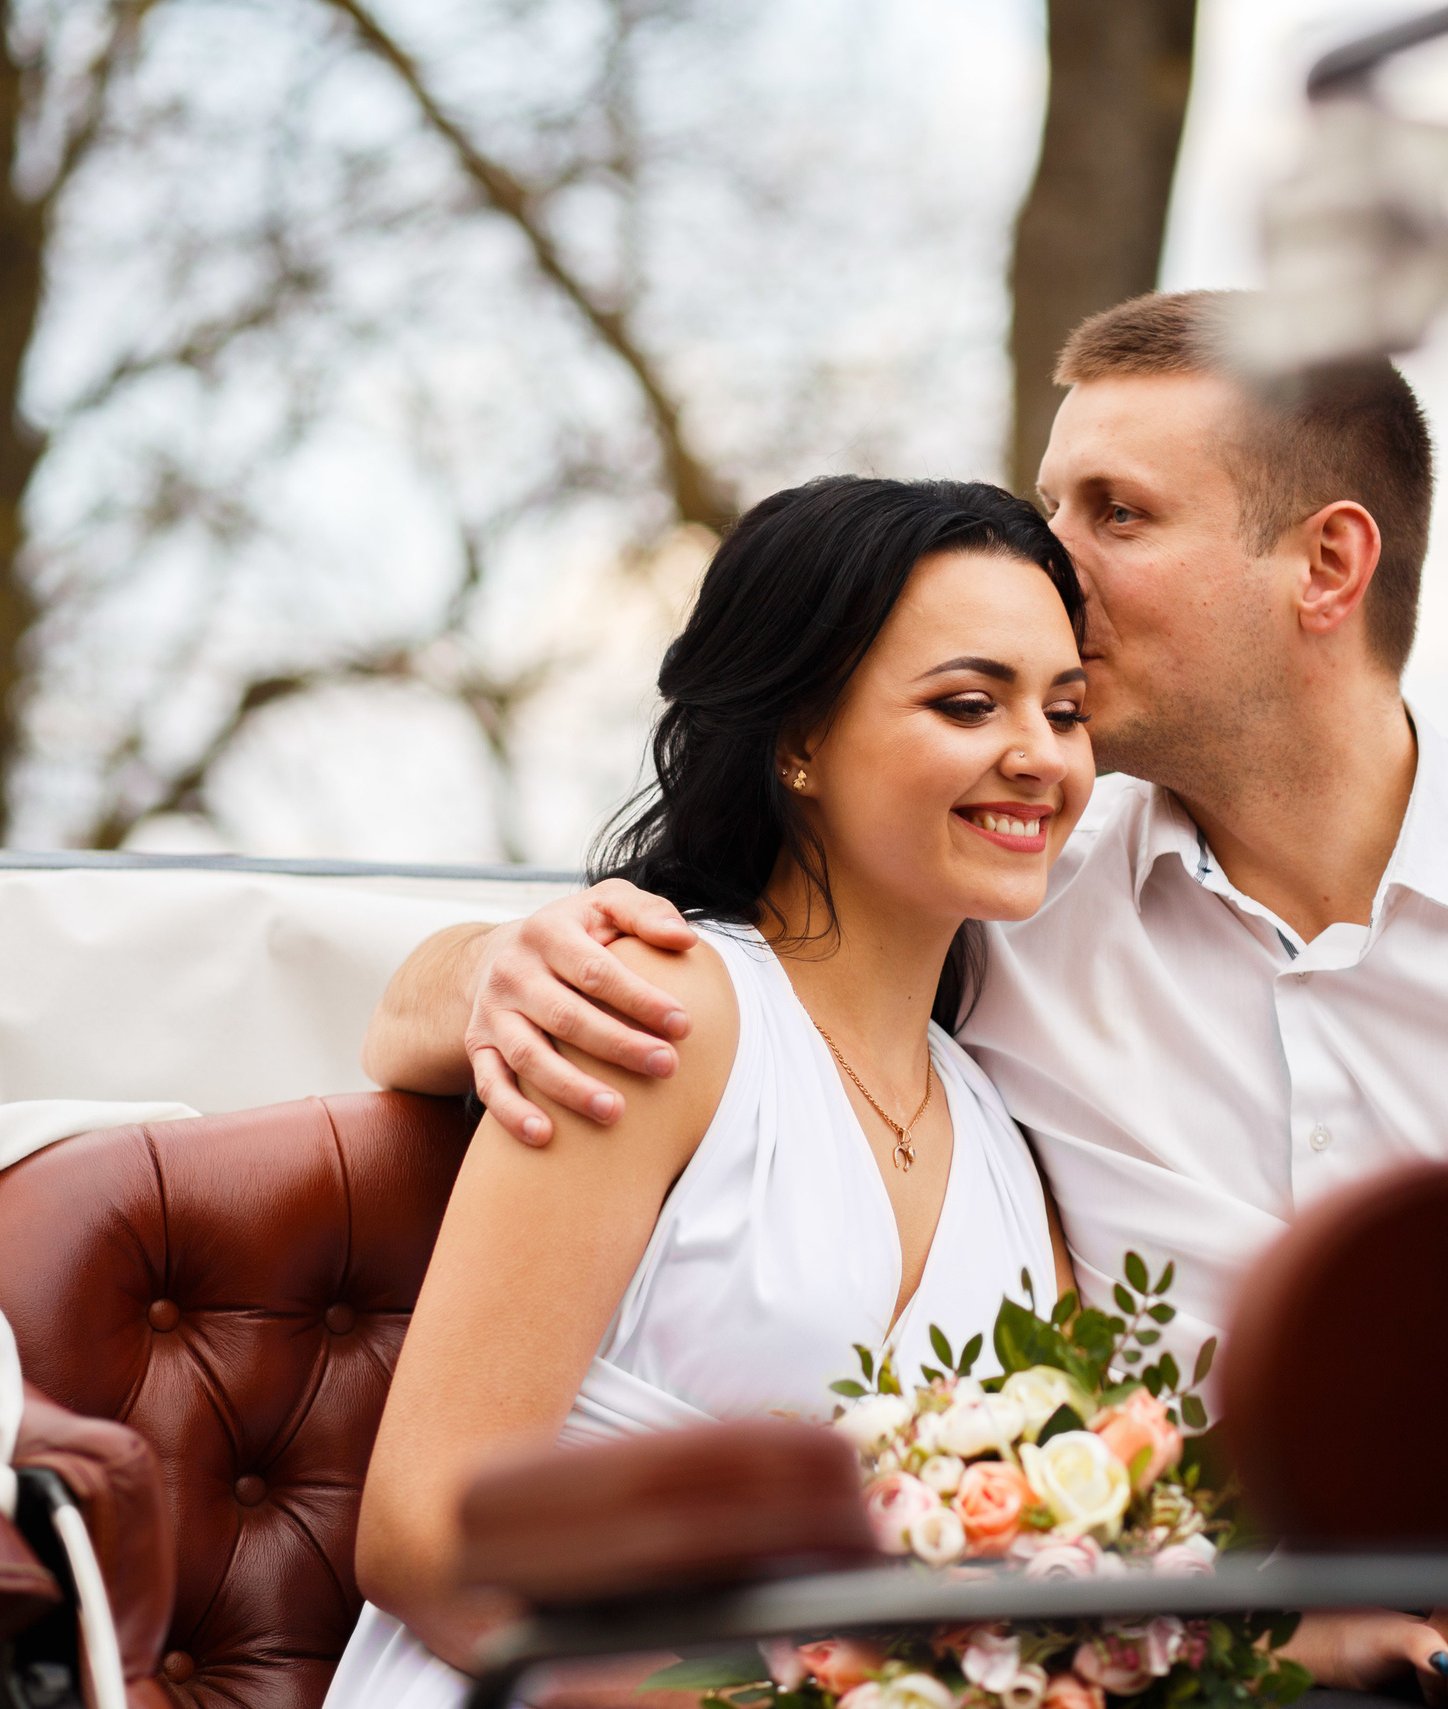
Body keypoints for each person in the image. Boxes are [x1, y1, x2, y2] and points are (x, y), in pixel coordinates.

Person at [363, 292, 1448, 1709]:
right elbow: (700, 967)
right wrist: (489, 972)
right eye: (1048, 509)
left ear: (1326, 564)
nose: (1053, 565)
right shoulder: (997, 913)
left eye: (1117, 514)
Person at [330, 477, 1089, 1709]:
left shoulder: (1003, 1137)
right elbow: (427, 1539)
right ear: (798, 740)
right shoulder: (651, 1010)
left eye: (1067, 709)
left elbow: (1059, 1564)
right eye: (967, 702)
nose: (1040, 755)